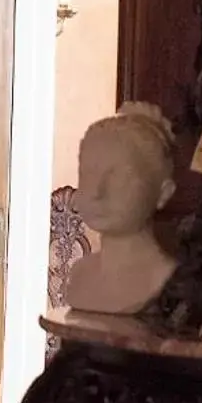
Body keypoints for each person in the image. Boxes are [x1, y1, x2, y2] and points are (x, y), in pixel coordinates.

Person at [67, 101, 178, 314]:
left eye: (119, 178)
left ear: (163, 193)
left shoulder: (163, 279)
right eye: (87, 174)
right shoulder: (80, 274)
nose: (96, 192)